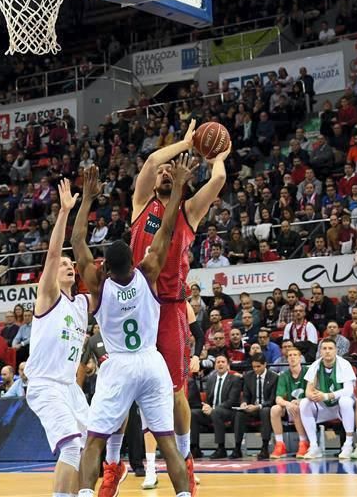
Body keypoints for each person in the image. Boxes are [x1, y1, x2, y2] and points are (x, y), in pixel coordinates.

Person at [74, 159, 194, 497]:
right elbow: (166, 232)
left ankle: (87, 493)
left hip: (120, 364)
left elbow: (78, 241)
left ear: (105, 267)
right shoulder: (148, 272)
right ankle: (185, 494)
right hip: (151, 362)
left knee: (94, 440)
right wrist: (178, 190)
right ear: (134, 261)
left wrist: (87, 199)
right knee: (167, 441)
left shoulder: (98, 286)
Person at [124, 121, 230, 494]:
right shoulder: (141, 205)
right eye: (163, 173)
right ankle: (130, 465)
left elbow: (216, 182)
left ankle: (184, 458)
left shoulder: (188, 211)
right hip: (134, 307)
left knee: (174, 392)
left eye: (173, 171)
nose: (166, 172)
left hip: (169, 309)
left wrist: (219, 157)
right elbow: (153, 158)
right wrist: (184, 143)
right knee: (133, 393)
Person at [23, 179, 89, 497]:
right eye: (63, 263)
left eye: (70, 263)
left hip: (70, 389)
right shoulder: (49, 296)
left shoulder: (82, 306)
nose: (67, 265)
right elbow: (52, 255)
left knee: (92, 444)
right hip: (45, 385)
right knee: (72, 446)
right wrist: (64, 212)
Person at [299, 338, 357, 460]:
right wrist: (312, 395)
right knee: (304, 402)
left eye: (330, 348)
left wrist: (326, 395)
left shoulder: (344, 364)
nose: (327, 351)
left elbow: (348, 391)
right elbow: (308, 390)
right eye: (324, 348)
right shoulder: (315, 365)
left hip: (341, 407)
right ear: (320, 351)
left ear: (336, 350)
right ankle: (314, 446)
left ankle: (348, 444)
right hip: (324, 407)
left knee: (345, 401)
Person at [233, 354, 279, 460]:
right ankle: (237, 447)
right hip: (252, 408)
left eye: (258, 366)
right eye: (254, 367)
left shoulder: (274, 377)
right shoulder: (249, 376)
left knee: (265, 411)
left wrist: (258, 406)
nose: (256, 369)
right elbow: (246, 395)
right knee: (239, 413)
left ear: (265, 365)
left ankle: (264, 447)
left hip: (266, 407)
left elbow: (272, 400)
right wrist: (244, 403)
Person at [268, 347, 308, 459]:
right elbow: (278, 399)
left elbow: (313, 392)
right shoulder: (284, 375)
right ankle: (280, 444)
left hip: (307, 406)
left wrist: (300, 402)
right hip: (291, 407)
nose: (292, 357)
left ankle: (303, 442)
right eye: (289, 355)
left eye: (295, 355)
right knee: (275, 409)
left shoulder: (308, 372)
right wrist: (288, 404)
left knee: (296, 408)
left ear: (300, 358)